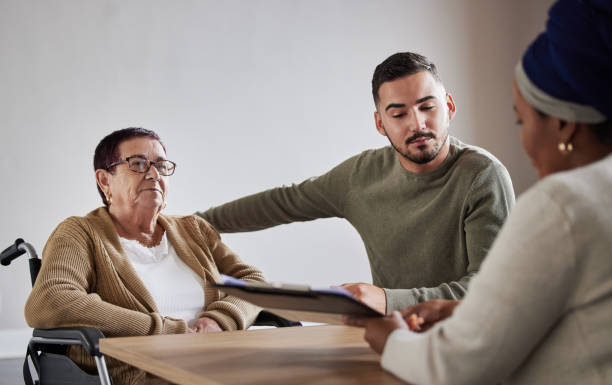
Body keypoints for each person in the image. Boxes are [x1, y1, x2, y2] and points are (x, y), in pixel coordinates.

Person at [346, 0, 612, 384]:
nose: (521, 138)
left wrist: (390, 340)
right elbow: (580, 312)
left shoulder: (562, 203)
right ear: (380, 122)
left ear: (564, 126)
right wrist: (464, 314)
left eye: (522, 120)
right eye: (399, 113)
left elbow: (456, 367)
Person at [197, 52, 515, 314]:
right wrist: (192, 224)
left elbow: (490, 290)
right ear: (380, 123)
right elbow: (285, 202)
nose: (417, 124)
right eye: (399, 114)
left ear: (449, 107)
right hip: (394, 340)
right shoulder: (362, 175)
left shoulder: (482, 175)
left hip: (473, 346)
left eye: (427, 107)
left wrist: (387, 300)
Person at [25, 128, 266, 385]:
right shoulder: (81, 233)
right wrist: (164, 331)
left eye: (161, 166)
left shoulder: (193, 229)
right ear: (104, 180)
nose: (153, 174)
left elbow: (254, 281)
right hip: (141, 374)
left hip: (217, 362)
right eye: (138, 164)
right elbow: (50, 300)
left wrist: (220, 319)